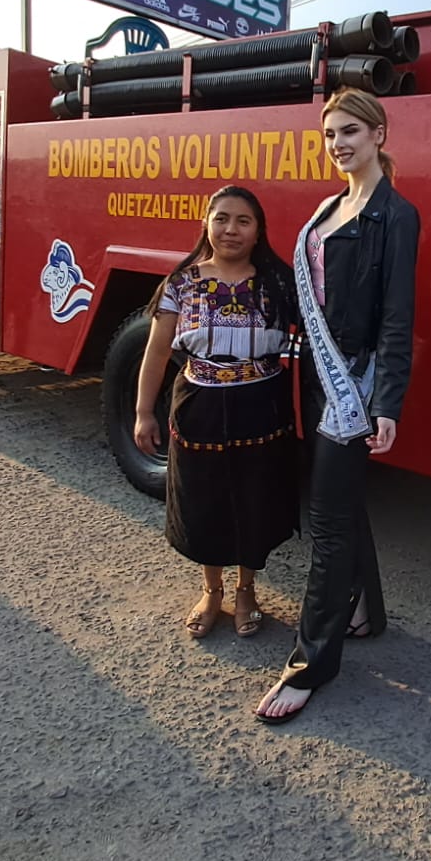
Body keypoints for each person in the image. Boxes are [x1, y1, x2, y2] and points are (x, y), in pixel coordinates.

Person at [255, 87, 420, 724]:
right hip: (317, 377)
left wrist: (388, 401)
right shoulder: (330, 206)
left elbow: (397, 319)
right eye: (330, 136)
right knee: (341, 502)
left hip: (354, 385)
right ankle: (365, 612)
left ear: (379, 134)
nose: (339, 145)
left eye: (351, 131)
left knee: (326, 519)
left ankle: (311, 663)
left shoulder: (396, 216)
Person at [133, 186, 299, 638]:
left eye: (243, 220)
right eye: (222, 218)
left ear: (258, 229)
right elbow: (157, 350)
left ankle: (247, 589)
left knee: (254, 498)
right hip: (199, 403)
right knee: (205, 499)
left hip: (262, 402)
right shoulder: (181, 282)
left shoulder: (278, 282)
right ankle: (212, 590)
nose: (231, 229)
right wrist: (144, 412)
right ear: (206, 224)